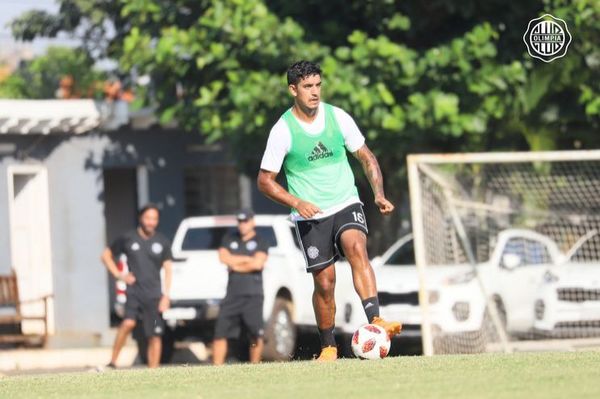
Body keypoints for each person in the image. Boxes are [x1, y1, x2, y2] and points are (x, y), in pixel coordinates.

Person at [257, 60, 401, 361]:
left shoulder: (338, 117)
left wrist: (378, 194)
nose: (314, 92)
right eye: (308, 87)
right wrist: (297, 202)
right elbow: (265, 181)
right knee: (325, 283)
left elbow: (366, 157)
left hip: (346, 200)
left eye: (318, 85)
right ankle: (328, 346)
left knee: (356, 248)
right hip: (311, 215)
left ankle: (376, 320)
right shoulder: (283, 130)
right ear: (293, 89)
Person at [101, 204, 173, 369]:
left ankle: (153, 371)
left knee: (155, 334)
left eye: (154, 219)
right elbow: (106, 255)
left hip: (155, 296)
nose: (151, 222)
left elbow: (169, 269)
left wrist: (166, 296)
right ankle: (112, 363)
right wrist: (120, 275)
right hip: (134, 293)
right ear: (141, 218)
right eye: (148, 218)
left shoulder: (162, 242)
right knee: (128, 324)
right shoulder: (128, 238)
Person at [212, 209, 269, 365]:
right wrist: (247, 260)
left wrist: (235, 264)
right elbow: (223, 258)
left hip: (253, 294)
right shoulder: (229, 238)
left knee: (255, 333)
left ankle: (255, 365)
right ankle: (216, 367)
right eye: (240, 221)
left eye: (246, 221)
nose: (242, 225)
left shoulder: (261, 241)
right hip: (232, 294)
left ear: (252, 222)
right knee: (220, 332)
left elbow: (258, 263)